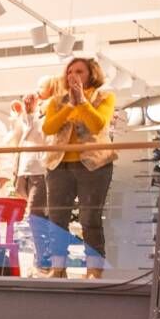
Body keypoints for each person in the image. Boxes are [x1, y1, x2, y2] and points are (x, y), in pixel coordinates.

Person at [39, 55, 117, 277]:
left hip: (94, 165)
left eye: (79, 71)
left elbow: (97, 124)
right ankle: (58, 267)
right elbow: (49, 128)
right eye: (70, 71)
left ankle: (94, 269)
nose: (73, 76)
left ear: (92, 74)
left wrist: (82, 101)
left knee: (90, 218)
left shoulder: (104, 96)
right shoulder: (56, 100)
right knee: (56, 219)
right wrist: (70, 105)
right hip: (58, 164)